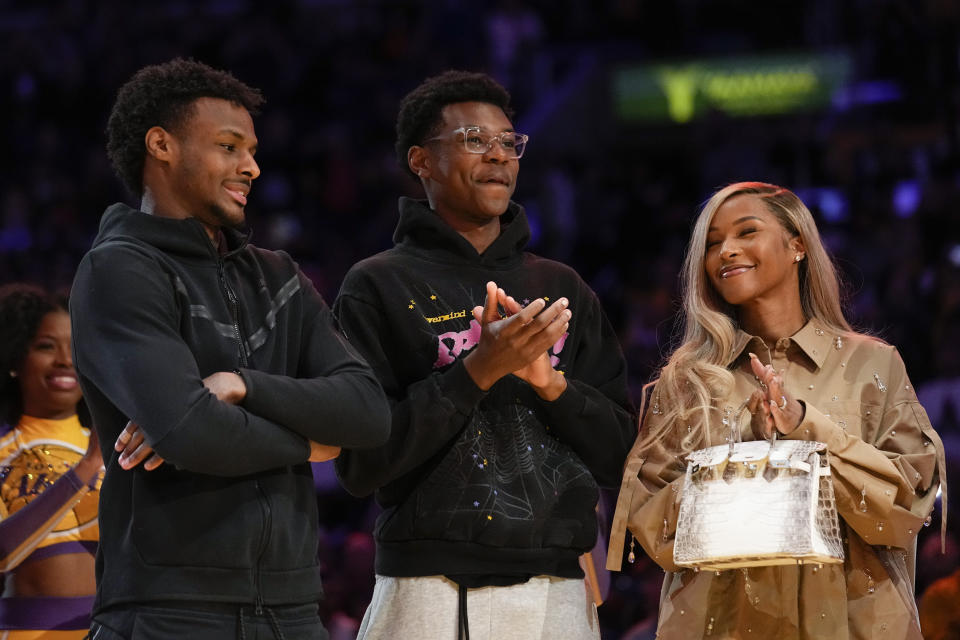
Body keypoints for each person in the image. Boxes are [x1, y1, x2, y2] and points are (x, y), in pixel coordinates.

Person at [69, 58, 391, 640]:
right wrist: (311, 445)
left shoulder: (278, 274)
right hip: (171, 611)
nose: (252, 167)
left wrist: (246, 385)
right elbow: (190, 431)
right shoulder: (118, 268)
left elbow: (368, 409)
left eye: (252, 150)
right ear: (161, 145)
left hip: (293, 610)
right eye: (229, 146)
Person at [333, 70, 635, 640]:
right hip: (427, 587)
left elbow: (622, 456)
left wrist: (552, 386)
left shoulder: (562, 285)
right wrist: (478, 370)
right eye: (475, 140)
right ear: (421, 160)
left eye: (508, 142)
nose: (498, 155)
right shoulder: (376, 285)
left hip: (557, 588)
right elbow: (360, 465)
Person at [607, 181, 948, 639]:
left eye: (746, 232)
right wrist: (745, 460)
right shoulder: (687, 381)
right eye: (712, 244)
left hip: (856, 626)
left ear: (797, 245)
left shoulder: (872, 364)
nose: (726, 251)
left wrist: (806, 427)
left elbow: (907, 507)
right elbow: (654, 527)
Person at [0, 284, 102, 638]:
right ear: (15, 360)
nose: (65, 359)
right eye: (46, 346)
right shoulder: (3, 449)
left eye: (75, 346)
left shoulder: (118, 447)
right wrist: (84, 471)